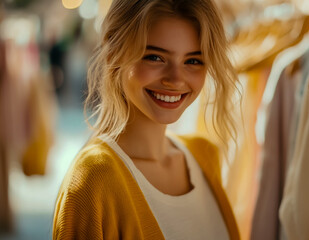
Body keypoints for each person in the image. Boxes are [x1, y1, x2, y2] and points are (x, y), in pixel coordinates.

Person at [52, 0, 241, 239]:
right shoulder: (93, 180)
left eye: (193, 60)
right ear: (113, 55)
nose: (175, 79)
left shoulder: (205, 156)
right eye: (155, 57)